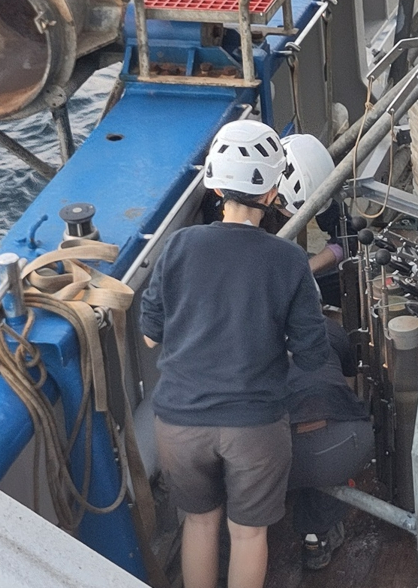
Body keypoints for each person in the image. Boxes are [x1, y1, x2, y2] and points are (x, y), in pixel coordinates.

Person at [140, 120, 329, 588]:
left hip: (179, 423)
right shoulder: (288, 261)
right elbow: (312, 356)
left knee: (199, 524)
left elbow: (149, 335)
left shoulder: (181, 245)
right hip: (254, 427)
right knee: (247, 536)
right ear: (271, 193)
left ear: (216, 186)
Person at [286, 319, 374, 571]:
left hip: (274, 453)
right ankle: (317, 537)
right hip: (338, 446)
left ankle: (227, 561)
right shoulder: (329, 329)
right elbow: (349, 386)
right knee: (326, 453)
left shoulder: (247, 334)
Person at [276, 133, 355, 307]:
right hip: (258, 284)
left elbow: (347, 238)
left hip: (289, 271)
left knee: (350, 285)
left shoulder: (309, 181)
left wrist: (308, 269)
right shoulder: (250, 213)